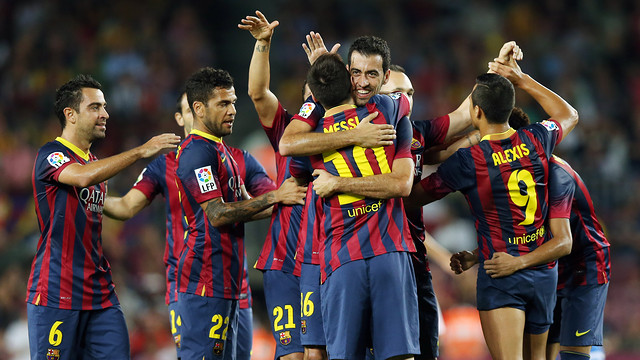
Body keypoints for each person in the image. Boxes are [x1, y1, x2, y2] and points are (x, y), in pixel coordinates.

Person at [239, 12, 394, 360]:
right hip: (285, 260)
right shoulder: (288, 130)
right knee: (298, 355)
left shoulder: (358, 127)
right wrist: (263, 44)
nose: (314, 100)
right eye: (311, 94)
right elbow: (257, 92)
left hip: (331, 255)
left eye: (321, 91)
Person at [411, 53, 579, 360]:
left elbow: (413, 197)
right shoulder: (537, 139)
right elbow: (569, 115)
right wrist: (521, 78)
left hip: (502, 274)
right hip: (543, 273)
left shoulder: (469, 161)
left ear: (476, 111)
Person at [103, 92, 275, 359]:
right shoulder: (164, 165)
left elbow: (273, 201)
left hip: (236, 283)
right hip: (189, 285)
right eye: (188, 111)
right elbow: (126, 207)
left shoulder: (241, 160)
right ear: (181, 117)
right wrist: (90, 194)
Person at [27, 74, 181, 359]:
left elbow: (115, 206)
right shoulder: (52, 154)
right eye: (95, 107)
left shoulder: (97, 165)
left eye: (104, 106)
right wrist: (140, 152)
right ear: (70, 114)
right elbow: (82, 178)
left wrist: (153, 188)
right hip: (56, 290)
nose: (105, 114)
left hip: (100, 294)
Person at [174, 67, 307, 360]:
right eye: (223, 104)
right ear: (198, 108)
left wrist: (285, 199)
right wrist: (276, 196)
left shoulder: (224, 153)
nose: (232, 110)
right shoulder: (197, 152)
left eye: (233, 102)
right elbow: (218, 214)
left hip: (228, 281)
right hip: (204, 283)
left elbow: (248, 208)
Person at [301, 52, 418, 360]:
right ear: (351, 81)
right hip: (390, 250)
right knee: (400, 354)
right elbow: (403, 100)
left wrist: (337, 183)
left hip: (341, 260)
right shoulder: (390, 111)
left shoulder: (309, 139)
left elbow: (286, 142)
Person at [501, 109, 611, 360]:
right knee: (539, 353)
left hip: (585, 266)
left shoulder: (557, 175)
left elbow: (564, 242)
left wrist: (516, 263)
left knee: (573, 355)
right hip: (548, 266)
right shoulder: (514, 178)